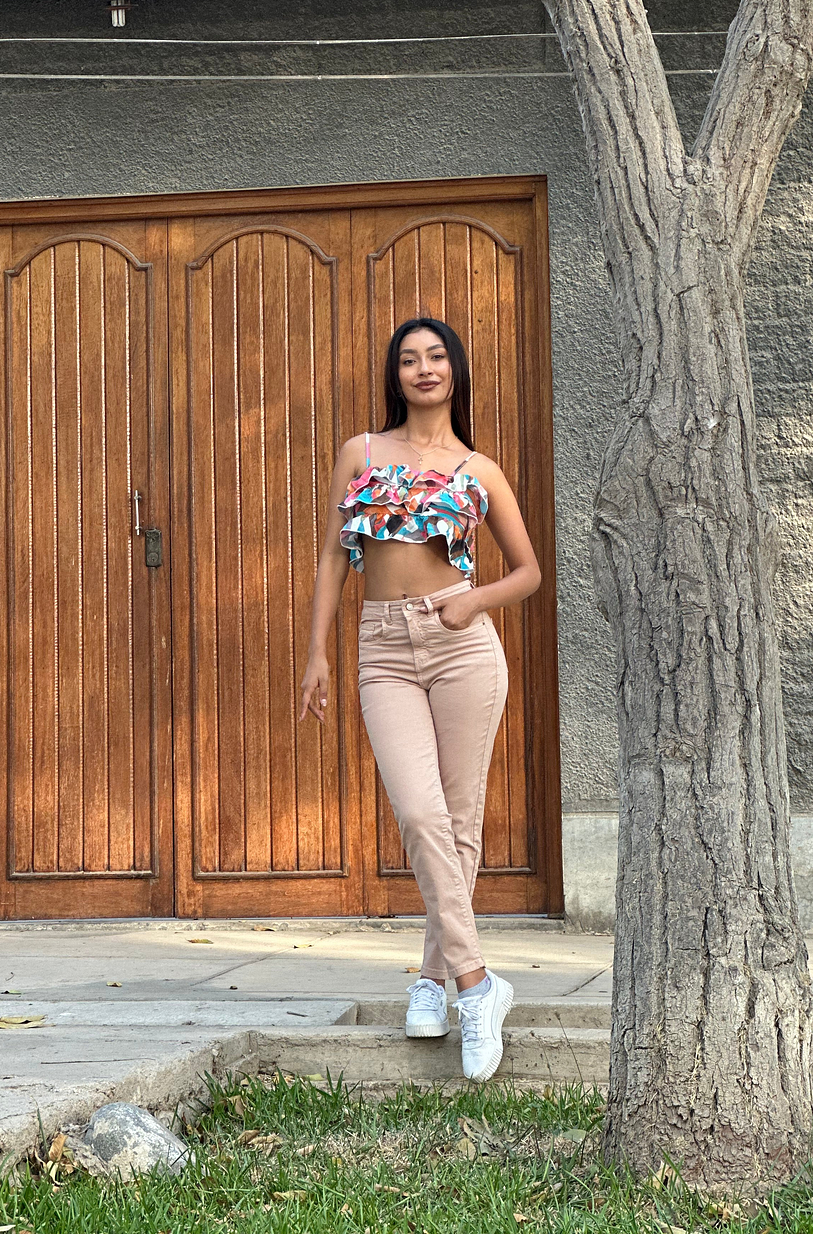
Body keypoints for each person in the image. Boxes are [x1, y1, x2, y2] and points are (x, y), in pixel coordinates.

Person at [300, 316, 541, 1081]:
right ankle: (478, 982)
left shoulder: (478, 468)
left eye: (436, 356)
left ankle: (434, 980)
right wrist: (316, 652)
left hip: (461, 644)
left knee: (458, 823)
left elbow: (529, 571)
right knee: (419, 813)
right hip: (381, 647)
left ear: (454, 371)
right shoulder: (362, 453)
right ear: (395, 375)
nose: (424, 368)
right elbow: (332, 557)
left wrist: (475, 601)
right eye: (409, 359)